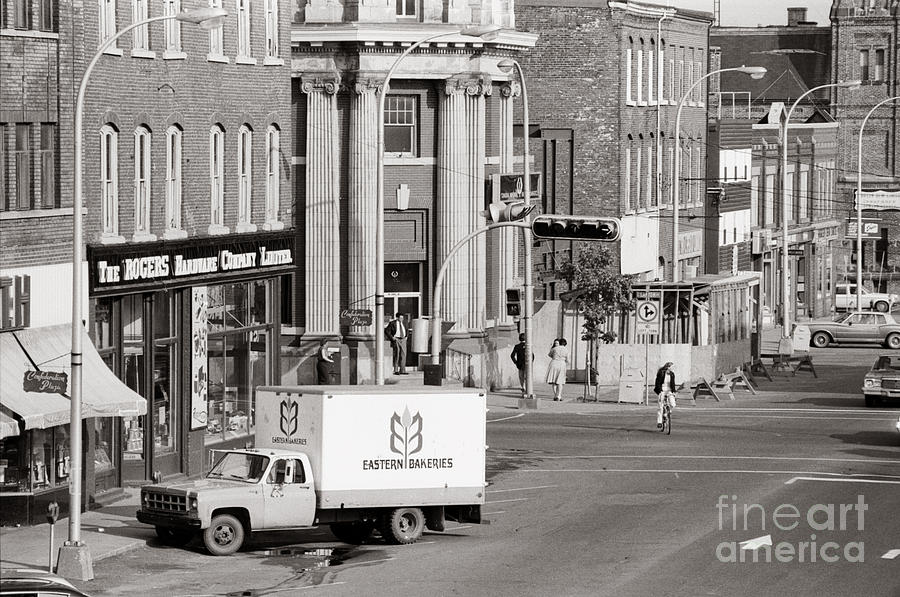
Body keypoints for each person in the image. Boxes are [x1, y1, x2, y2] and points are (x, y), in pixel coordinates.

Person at [654, 361, 677, 429]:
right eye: (671, 368)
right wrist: (660, 391)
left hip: (669, 390)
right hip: (662, 390)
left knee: (673, 404)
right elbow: (657, 383)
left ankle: (667, 413)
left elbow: (673, 384)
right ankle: (659, 422)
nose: (672, 369)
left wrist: (674, 392)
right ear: (668, 367)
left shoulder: (672, 374)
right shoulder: (661, 373)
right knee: (660, 406)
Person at [509, 333, 533, 397]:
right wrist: (531, 362)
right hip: (527, 364)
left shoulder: (517, 346)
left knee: (521, 377)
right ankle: (526, 389)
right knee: (527, 377)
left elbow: (512, 355)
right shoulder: (528, 346)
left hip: (520, 364)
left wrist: (516, 362)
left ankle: (523, 387)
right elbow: (532, 355)